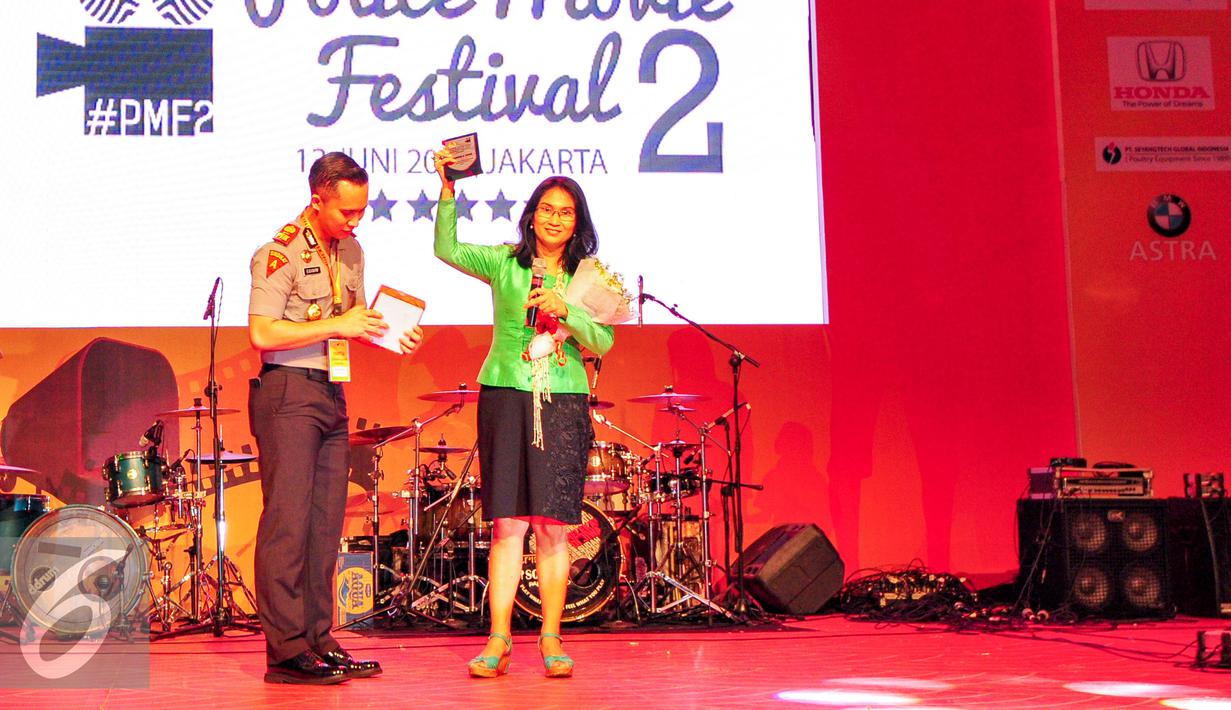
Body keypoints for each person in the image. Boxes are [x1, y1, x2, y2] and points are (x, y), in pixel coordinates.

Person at [433, 151, 614, 678]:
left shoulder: (588, 277)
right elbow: (447, 247)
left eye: (566, 211)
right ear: (531, 213)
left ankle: (551, 637)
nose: (555, 218)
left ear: (577, 221)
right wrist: (448, 192)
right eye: (546, 208)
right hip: (505, 392)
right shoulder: (504, 262)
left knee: (553, 525)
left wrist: (570, 312)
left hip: (563, 398)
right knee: (508, 523)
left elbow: (603, 340)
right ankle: (498, 638)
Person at [248, 151, 423, 685]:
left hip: (330, 393)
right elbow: (262, 333)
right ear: (318, 198)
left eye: (361, 210)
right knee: (288, 524)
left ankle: (320, 637)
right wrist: (341, 324)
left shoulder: (350, 251)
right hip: (287, 392)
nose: (354, 220)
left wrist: (385, 331)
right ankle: (285, 650)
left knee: (325, 524)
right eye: (345, 211)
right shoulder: (276, 253)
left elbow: (346, 324)